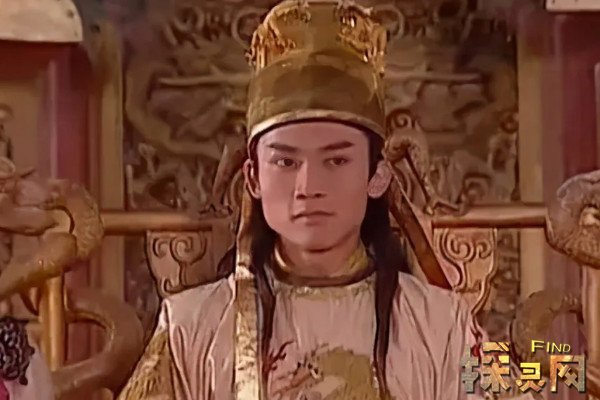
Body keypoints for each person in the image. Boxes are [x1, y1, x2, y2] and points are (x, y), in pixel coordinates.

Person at [117, 1, 493, 399]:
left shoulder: (443, 324)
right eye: (285, 161)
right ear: (253, 177)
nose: (308, 185)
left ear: (377, 175)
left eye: (336, 160)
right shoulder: (189, 327)